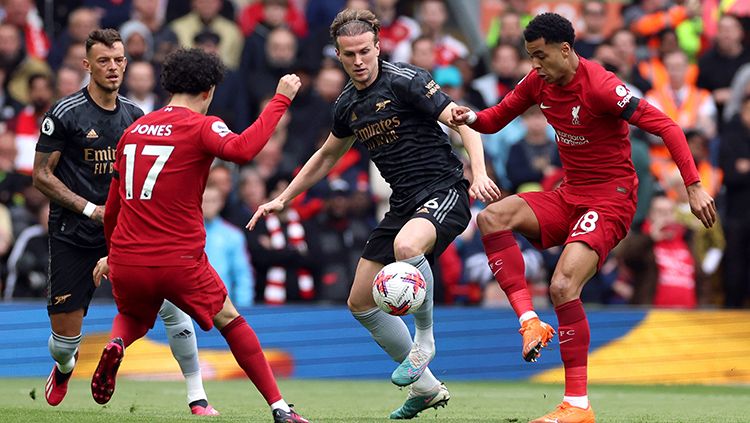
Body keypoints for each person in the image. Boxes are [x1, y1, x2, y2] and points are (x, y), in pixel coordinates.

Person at [451, 13, 716, 423]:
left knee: (562, 284)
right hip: (570, 194)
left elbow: (667, 126)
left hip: (611, 199)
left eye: (540, 56)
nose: (534, 65)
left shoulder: (602, 86)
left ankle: (577, 404)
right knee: (493, 218)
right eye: (529, 57)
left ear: (566, 50)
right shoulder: (539, 81)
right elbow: (493, 119)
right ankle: (529, 322)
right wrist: (466, 117)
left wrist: (694, 185)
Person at [248, 8, 501, 420]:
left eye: (365, 51)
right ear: (338, 55)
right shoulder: (347, 104)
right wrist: (284, 198)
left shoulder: (407, 81)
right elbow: (327, 155)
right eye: (349, 55)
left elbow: (464, 125)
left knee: (407, 246)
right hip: (403, 203)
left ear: (378, 46)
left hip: (444, 190)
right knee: (360, 301)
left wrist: (479, 173)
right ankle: (426, 388)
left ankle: (425, 339)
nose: (359, 61)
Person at [90, 47, 309, 423]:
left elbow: (112, 207)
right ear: (208, 91)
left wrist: (112, 254)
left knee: (133, 316)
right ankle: (279, 408)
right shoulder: (201, 125)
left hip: (126, 256)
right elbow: (242, 150)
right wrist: (280, 100)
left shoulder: (132, 131)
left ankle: (116, 343)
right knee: (232, 321)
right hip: (178, 260)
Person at [32, 29, 218, 415]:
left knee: (172, 306)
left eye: (118, 60)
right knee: (65, 342)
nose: (113, 67)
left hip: (127, 233)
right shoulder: (64, 114)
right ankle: (64, 368)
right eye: (103, 61)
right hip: (73, 234)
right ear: (87, 65)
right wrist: (90, 209)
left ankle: (197, 396)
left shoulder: (137, 118)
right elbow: (41, 176)